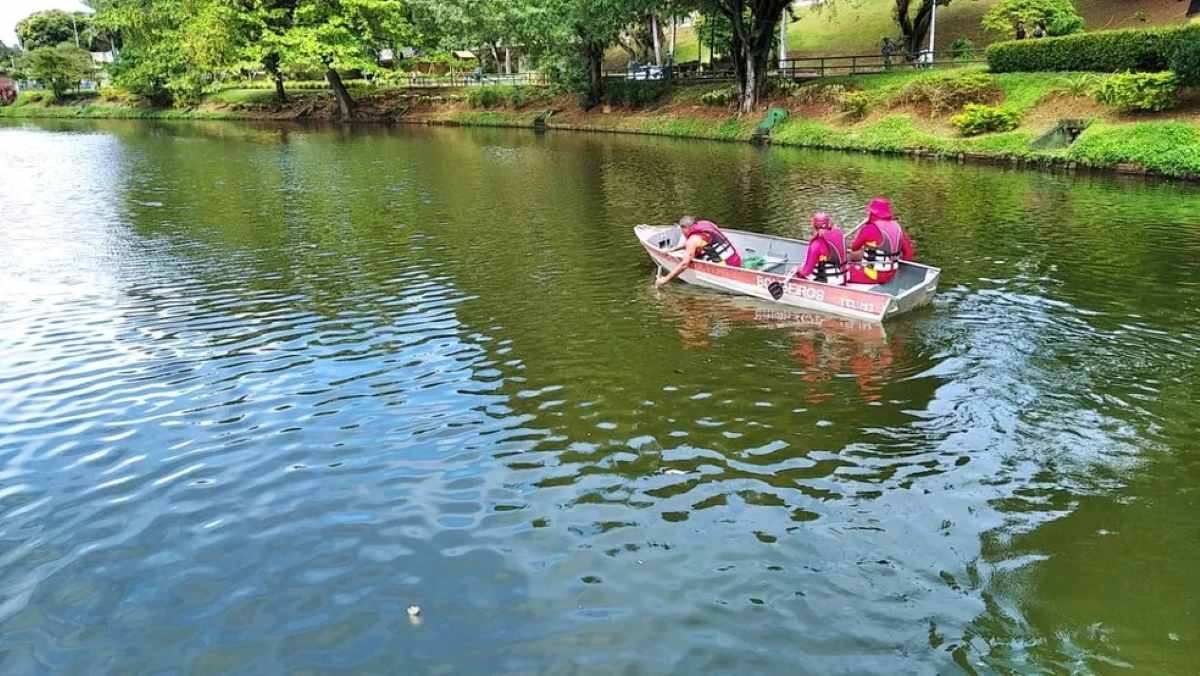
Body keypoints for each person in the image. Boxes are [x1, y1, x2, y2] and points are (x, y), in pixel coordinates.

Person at [655, 216, 743, 288]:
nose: (683, 234)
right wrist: (672, 250)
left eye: (682, 231)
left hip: (725, 270)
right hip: (736, 262)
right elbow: (696, 242)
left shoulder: (693, 240)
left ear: (684, 228)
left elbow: (684, 264)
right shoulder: (707, 225)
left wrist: (665, 280)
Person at [848, 197, 914, 285]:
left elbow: (854, 248)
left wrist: (861, 231)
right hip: (892, 273)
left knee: (843, 270)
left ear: (873, 213)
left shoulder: (869, 228)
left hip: (873, 274)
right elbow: (908, 253)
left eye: (870, 212)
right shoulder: (898, 228)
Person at [793, 212, 848, 285]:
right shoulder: (838, 234)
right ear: (828, 223)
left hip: (828, 282)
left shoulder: (816, 244)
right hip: (842, 279)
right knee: (822, 260)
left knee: (798, 274)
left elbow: (806, 272)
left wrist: (797, 270)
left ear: (814, 225)